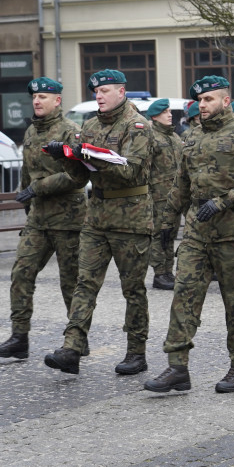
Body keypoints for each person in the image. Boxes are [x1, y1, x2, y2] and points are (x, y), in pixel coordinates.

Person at [143, 75, 234, 394]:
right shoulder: (192, 136)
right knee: (184, 295)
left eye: (209, 100)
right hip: (197, 231)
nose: (202, 105)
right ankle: (177, 367)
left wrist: (226, 200)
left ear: (226, 101)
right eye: (200, 101)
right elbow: (182, 183)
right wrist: (163, 223)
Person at [43, 69, 155, 376]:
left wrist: (90, 155)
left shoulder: (138, 126)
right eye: (96, 91)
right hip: (97, 217)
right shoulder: (90, 125)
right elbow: (80, 177)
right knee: (85, 283)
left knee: (132, 289)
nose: (99, 96)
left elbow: (130, 171)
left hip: (131, 218)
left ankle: (136, 351)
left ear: (121, 93)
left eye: (105, 91)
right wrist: (66, 156)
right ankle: (72, 348)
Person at [0, 77, 86, 360]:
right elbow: (26, 173)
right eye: (34, 97)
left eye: (44, 96)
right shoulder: (31, 131)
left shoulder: (71, 132)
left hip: (69, 220)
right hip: (38, 220)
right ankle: (19, 338)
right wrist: (27, 201)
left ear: (57, 100)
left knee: (71, 283)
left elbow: (77, 176)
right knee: (21, 274)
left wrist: (39, 188)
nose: (37, 101)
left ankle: (76, 343)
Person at [146, 99, 182, 290]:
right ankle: (160, 273)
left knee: (171, 234)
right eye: (165, 112)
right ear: (154, 116)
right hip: (158, 196)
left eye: (169, 111)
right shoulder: (151, 138)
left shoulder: (175, 137)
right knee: (159, 235)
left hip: (174, 197)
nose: (170, 114)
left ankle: (169, 271)